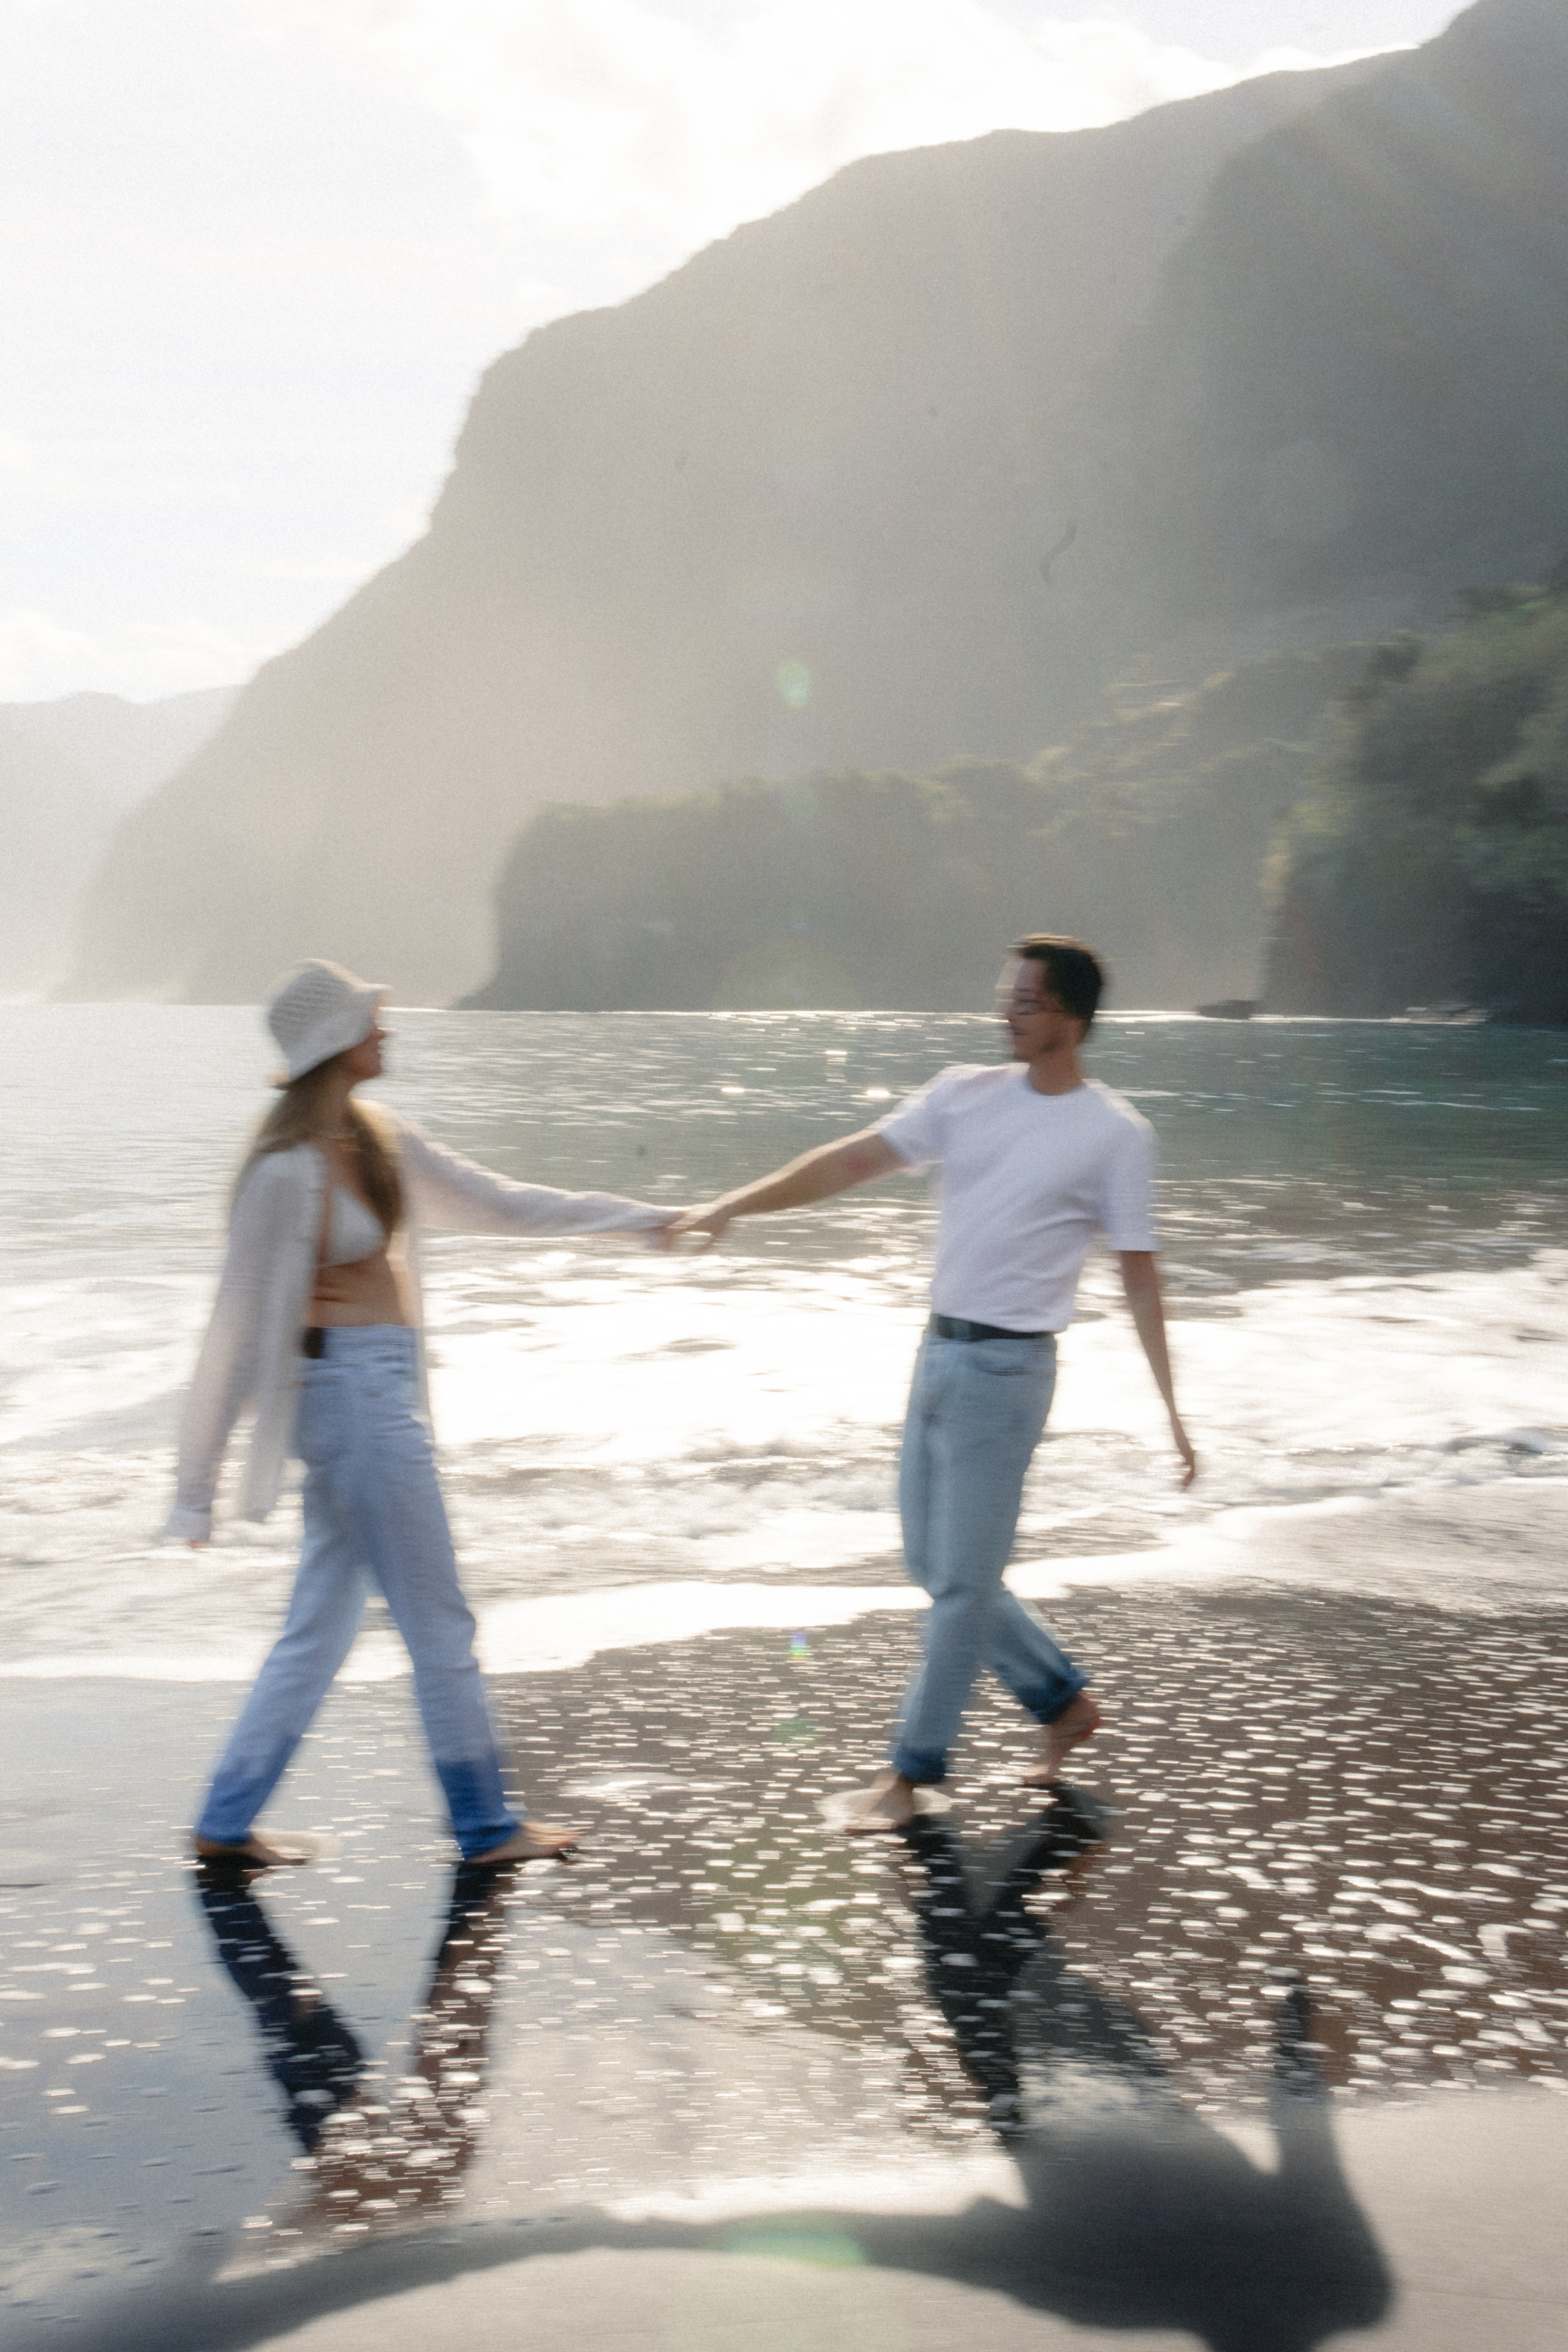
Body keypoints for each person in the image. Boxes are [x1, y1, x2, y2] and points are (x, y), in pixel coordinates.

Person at [670, 935, 1195, 1832]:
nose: (1006, 1010)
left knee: (960, 1586)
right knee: (935, 1565)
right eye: (1006, 994)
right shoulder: (964, 1094)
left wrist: (1173, 1412)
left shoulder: (1116, 1134)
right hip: (940, 1355)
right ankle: (1062, 1701)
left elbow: (1139, 1274)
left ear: (1069, 1020)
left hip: (1011, 1370)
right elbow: (849, 1161)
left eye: (1026, 1001)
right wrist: (734, 1206)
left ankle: (909, 1776)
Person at [166, 959, 677, 1871]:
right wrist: (194, 1488)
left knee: (317, 1631)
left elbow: (505, 1205)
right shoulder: (283, 1174)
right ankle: (485, 1824)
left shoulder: (378, 1140)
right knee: (438, 1622)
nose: (387, 1030)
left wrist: (642, 1219)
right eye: (372, 1019)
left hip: (378, 1392)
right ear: (333, 1042)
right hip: (351, 1398)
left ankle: (225, 1818)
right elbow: (234, 1330)